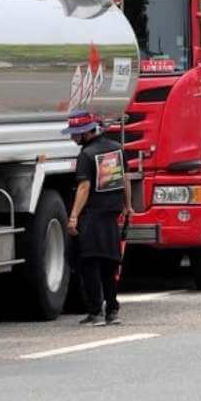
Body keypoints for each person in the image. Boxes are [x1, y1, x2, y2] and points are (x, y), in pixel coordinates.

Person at [62, 109, 133, 326]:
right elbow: (126, 179)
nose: (74, 137)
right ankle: (112, 311)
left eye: (77, 133)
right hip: (111, 217)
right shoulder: (116, 150)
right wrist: (128, 206)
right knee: (110, 266)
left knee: (89, 264)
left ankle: (95, 313)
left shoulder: (86, 154)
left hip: (91, 218)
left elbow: (84, 187)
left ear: (88, 132)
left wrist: (73, 216)